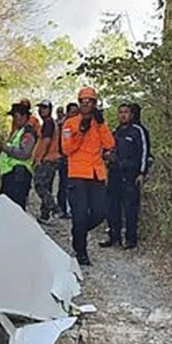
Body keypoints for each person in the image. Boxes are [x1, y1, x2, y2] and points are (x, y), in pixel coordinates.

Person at [61, 87, 114, 266]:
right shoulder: (70, 123)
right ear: (79, 103)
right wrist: (81, 133)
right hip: (77, 174)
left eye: (90, 102)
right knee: (80, 213)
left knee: (100, 212)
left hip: (96, 173)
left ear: (94, 104)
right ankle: (81, 251)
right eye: (83, 102)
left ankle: (78, 231)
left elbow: (109, 144)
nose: (86, 105)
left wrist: (101, 124)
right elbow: (67, 149)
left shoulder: (99, 123)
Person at [100, 104, 147, 249]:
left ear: (132, 114)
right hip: (114, 174)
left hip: (131, 175)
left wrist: (142, 173)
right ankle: (114, 237)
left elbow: (145, 152)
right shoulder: (116, 132)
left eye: (126, 112)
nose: (123, 115)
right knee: (112, 207)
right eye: (120, 112)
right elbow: (107, 149)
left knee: (130, 209)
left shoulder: (138, 131)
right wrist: (106, 156)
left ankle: (130, 240)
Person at [0, 103, 37, 210]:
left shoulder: (28, 132)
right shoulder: (18, 131)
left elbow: (24, 153)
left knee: (15, 208)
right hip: (11, 174)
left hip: (18, 175)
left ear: (24, 116)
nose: (14, 119)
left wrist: (4, 147)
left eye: (16, 116)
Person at [33, 100, 61, 223]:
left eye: (44, 108)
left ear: (50, 109)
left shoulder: (48, 123)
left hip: (47, 159)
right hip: (51, 159)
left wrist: (39, 158)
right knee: (47, 186)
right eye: (40, 108)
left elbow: (46, 141)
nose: (41, 110)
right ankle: (45, 215)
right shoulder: (50, 123)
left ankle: (55, 209)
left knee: (39, 185)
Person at [55, 102, 79, 219]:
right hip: (65, 159)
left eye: (76, 112)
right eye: (72, 112)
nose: (75, 115)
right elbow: (63, 143)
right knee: (64, 185)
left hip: (77, 161)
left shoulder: (81, 125)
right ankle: (62, 209)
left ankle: (74, 210)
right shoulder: (64, 126)